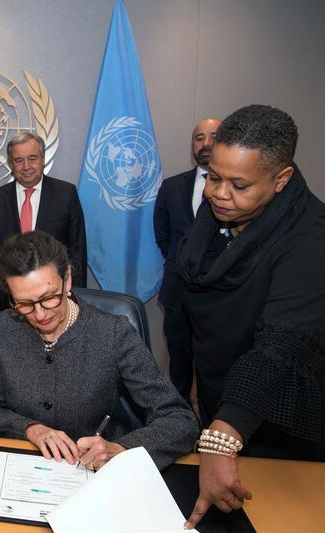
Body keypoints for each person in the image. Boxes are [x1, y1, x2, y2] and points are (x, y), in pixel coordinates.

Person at [177, 105, 325, 529]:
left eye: (239, 184)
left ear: (281, 180)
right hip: (218, 404)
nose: (219, 194)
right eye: (213, 177)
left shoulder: (312, 238)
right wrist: (196, 379)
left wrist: (222, 438)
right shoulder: (219, 216)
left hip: (272, 418)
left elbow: (280, 348)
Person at [0, 230, 197, 470]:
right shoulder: (1, 328)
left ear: (67, 279)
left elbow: (180, 421)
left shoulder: (113, 333)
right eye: (25, 304)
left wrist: (120, 450)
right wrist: (31, 429)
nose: (40, 314)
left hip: (95, 471)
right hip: (23, 467)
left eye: (49, 298)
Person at [0, 132, 87, 317]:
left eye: (32, 158)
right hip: (9, 301)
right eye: (19, 160)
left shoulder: (66, 194)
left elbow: (78, 250)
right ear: (11, 164)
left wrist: (74, 296)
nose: (26, 166)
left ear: (43, 159)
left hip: (54, 299)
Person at [154, 117, 221, 400]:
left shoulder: (237, 189)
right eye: (199, 138)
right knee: (179, 365)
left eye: (214, 137)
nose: (206, 144)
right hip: (177, 292)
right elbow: (163, 237)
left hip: (220, 294)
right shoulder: (171, 187)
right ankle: (178, 425)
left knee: (217, 367)